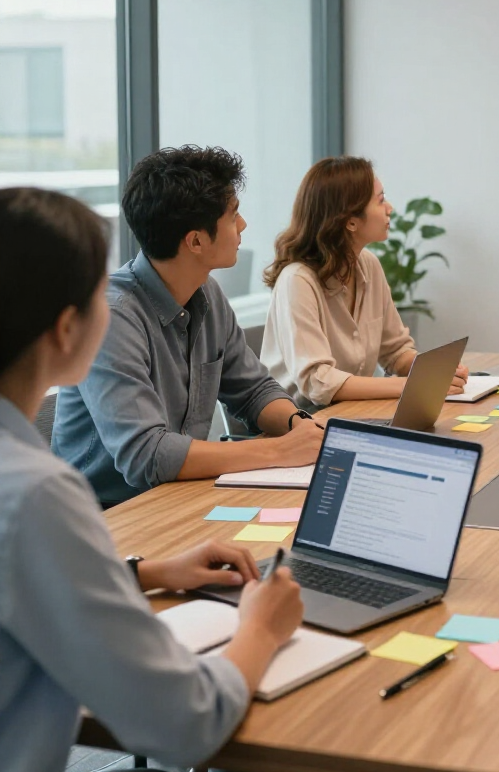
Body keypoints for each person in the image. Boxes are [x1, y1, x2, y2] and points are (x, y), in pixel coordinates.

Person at [0, 187, 303, 772]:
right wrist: (259, 630)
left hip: (139, 545)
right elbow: (188, 722)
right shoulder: (34, 493)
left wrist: (147, 572)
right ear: (66, 329)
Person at [52, 146, 324, 508]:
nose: (242, 226)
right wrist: (278, 450)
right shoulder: (112, 318)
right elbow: (148, 455)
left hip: (179, 497)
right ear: (195, 241)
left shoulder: (205, 291)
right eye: (233, 215)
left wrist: (298, 426)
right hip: (108, 518)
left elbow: (253, 389)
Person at [261, 157, 467, 409]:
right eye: (380, 200)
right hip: (300, 423)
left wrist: (432, 371)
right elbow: (317, 382)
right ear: (350, 221)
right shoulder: (297, 281)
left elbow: (396, 352)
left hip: (351, 414)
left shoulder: (368, 264)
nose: (389, 208)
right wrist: (413, 384)